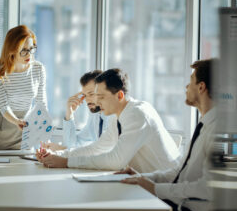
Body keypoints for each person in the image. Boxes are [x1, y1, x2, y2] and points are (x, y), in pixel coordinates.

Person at [117, 59, 215, 211]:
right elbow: (179, 172)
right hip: (178, 204)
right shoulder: (204, 126)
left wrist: (155, 188)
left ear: (201, 87)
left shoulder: (219, 130)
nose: (186, 87)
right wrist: (143, 178)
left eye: (191, 81)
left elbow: (208, 187)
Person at [37, 68, 179, 172]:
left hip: (165, 193)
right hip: (146, 185)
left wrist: (66, 162)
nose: (97, 103)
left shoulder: (137, 114)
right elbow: (97, 148)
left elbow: (115, 160)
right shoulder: (119, 116)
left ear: (119, 96)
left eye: (101, 97)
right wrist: (57, 155)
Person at [0, 25, 47, 150]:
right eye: (23, 50)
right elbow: (4, 106)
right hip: (2, 128)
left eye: (31, 48)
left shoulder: (38, 69)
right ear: (12, 50)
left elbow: (41, 103)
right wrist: (16, 121)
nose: (28, 54)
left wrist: (43, 129)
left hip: (25, 127)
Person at [42, 70, 112, 151]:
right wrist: (69, 114)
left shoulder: (115, 116)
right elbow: (73, 144)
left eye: (91, 94)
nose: (87, 100)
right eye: (85, 95)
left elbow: (106, 153)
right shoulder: (96, 116)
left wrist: (62, 150)